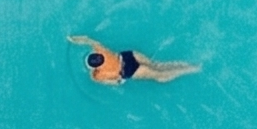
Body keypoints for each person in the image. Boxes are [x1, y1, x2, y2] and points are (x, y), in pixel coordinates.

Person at [70, 34, 201, 84]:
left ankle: (191, 69)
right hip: (129, 55)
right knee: (156, 65)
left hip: (128, 71)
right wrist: (75, 39)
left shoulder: (97, 75)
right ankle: (189, 66)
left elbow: (114, 82)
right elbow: (88, 40)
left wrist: (118, 81)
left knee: (160, 77)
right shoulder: (100, 50)